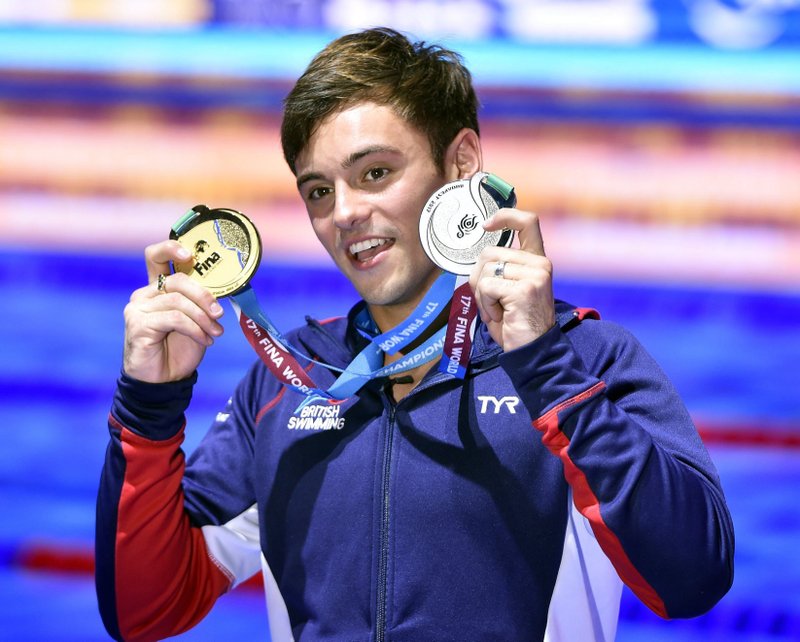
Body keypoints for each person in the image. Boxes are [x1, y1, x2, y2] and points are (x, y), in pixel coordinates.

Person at [96, 27, 734, 642]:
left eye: (374, 173)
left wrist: (544, 366)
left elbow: (693, 579)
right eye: (319, 190)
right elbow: (144, 611)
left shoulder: (586, 357)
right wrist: (150, 406)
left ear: (460, 163)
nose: (344, 212)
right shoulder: (288, 380)